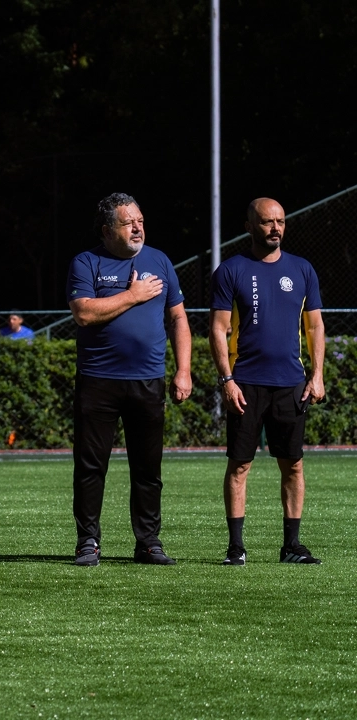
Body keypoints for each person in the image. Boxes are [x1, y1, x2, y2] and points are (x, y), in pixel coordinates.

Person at [66, 192, 191, 566]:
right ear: (107, 230)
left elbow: (179, 319)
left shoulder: (161, 261)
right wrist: (133, 295)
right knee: (90, 467)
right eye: (128, 222)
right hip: (98, 380)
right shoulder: (86, 262)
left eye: (140, 220)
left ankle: (149, 543)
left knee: (148, 468)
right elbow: (83, 313)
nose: (138, 227)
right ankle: (88, 541)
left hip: (148, 381)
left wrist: (183, 369)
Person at [209, 197, 325, 566]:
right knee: (239, 465)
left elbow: (315, 325)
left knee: (293, 464)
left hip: (291, 383)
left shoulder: (303, 269)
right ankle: (236, 548)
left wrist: (317, 375)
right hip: (245, 384)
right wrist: (227, 379)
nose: (275, 227)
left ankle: (292, 546)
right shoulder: (231, 270)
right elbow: (218, 328)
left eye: (280, 221)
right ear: (249, 226)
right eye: (266, 222)